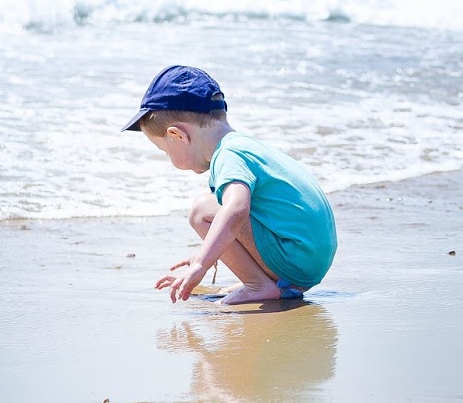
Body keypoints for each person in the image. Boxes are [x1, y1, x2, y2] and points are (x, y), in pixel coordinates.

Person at [125, 64, 338, 305]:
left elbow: (237, 208)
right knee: (216, 208)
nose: (168, 158)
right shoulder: (244, 146)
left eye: (164, 151)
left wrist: (200, 265)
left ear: (178, 136)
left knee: (202, 210)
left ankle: (258, 285)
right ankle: (264, 281)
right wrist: (208, 251)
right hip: (309, 256)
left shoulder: (228, 155)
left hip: (295, 259)